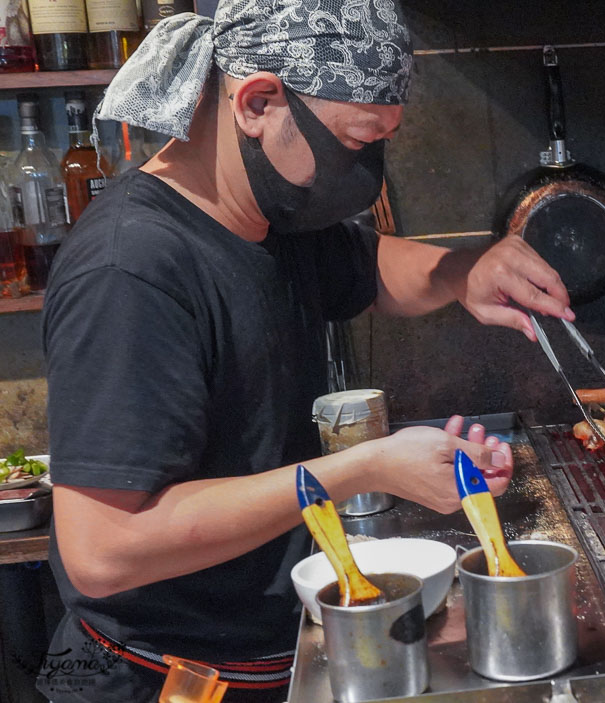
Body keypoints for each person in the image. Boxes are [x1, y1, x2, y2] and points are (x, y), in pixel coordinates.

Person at [36, 1, 573, 701]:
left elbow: (373, 266)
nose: (367, 173)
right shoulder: (131, 269)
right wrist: (360, 467)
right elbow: (103, 550)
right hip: (161, 681)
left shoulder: (269, 217)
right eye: (355, 142)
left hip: (264, 659)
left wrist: (462, 271)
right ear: (258, 101)